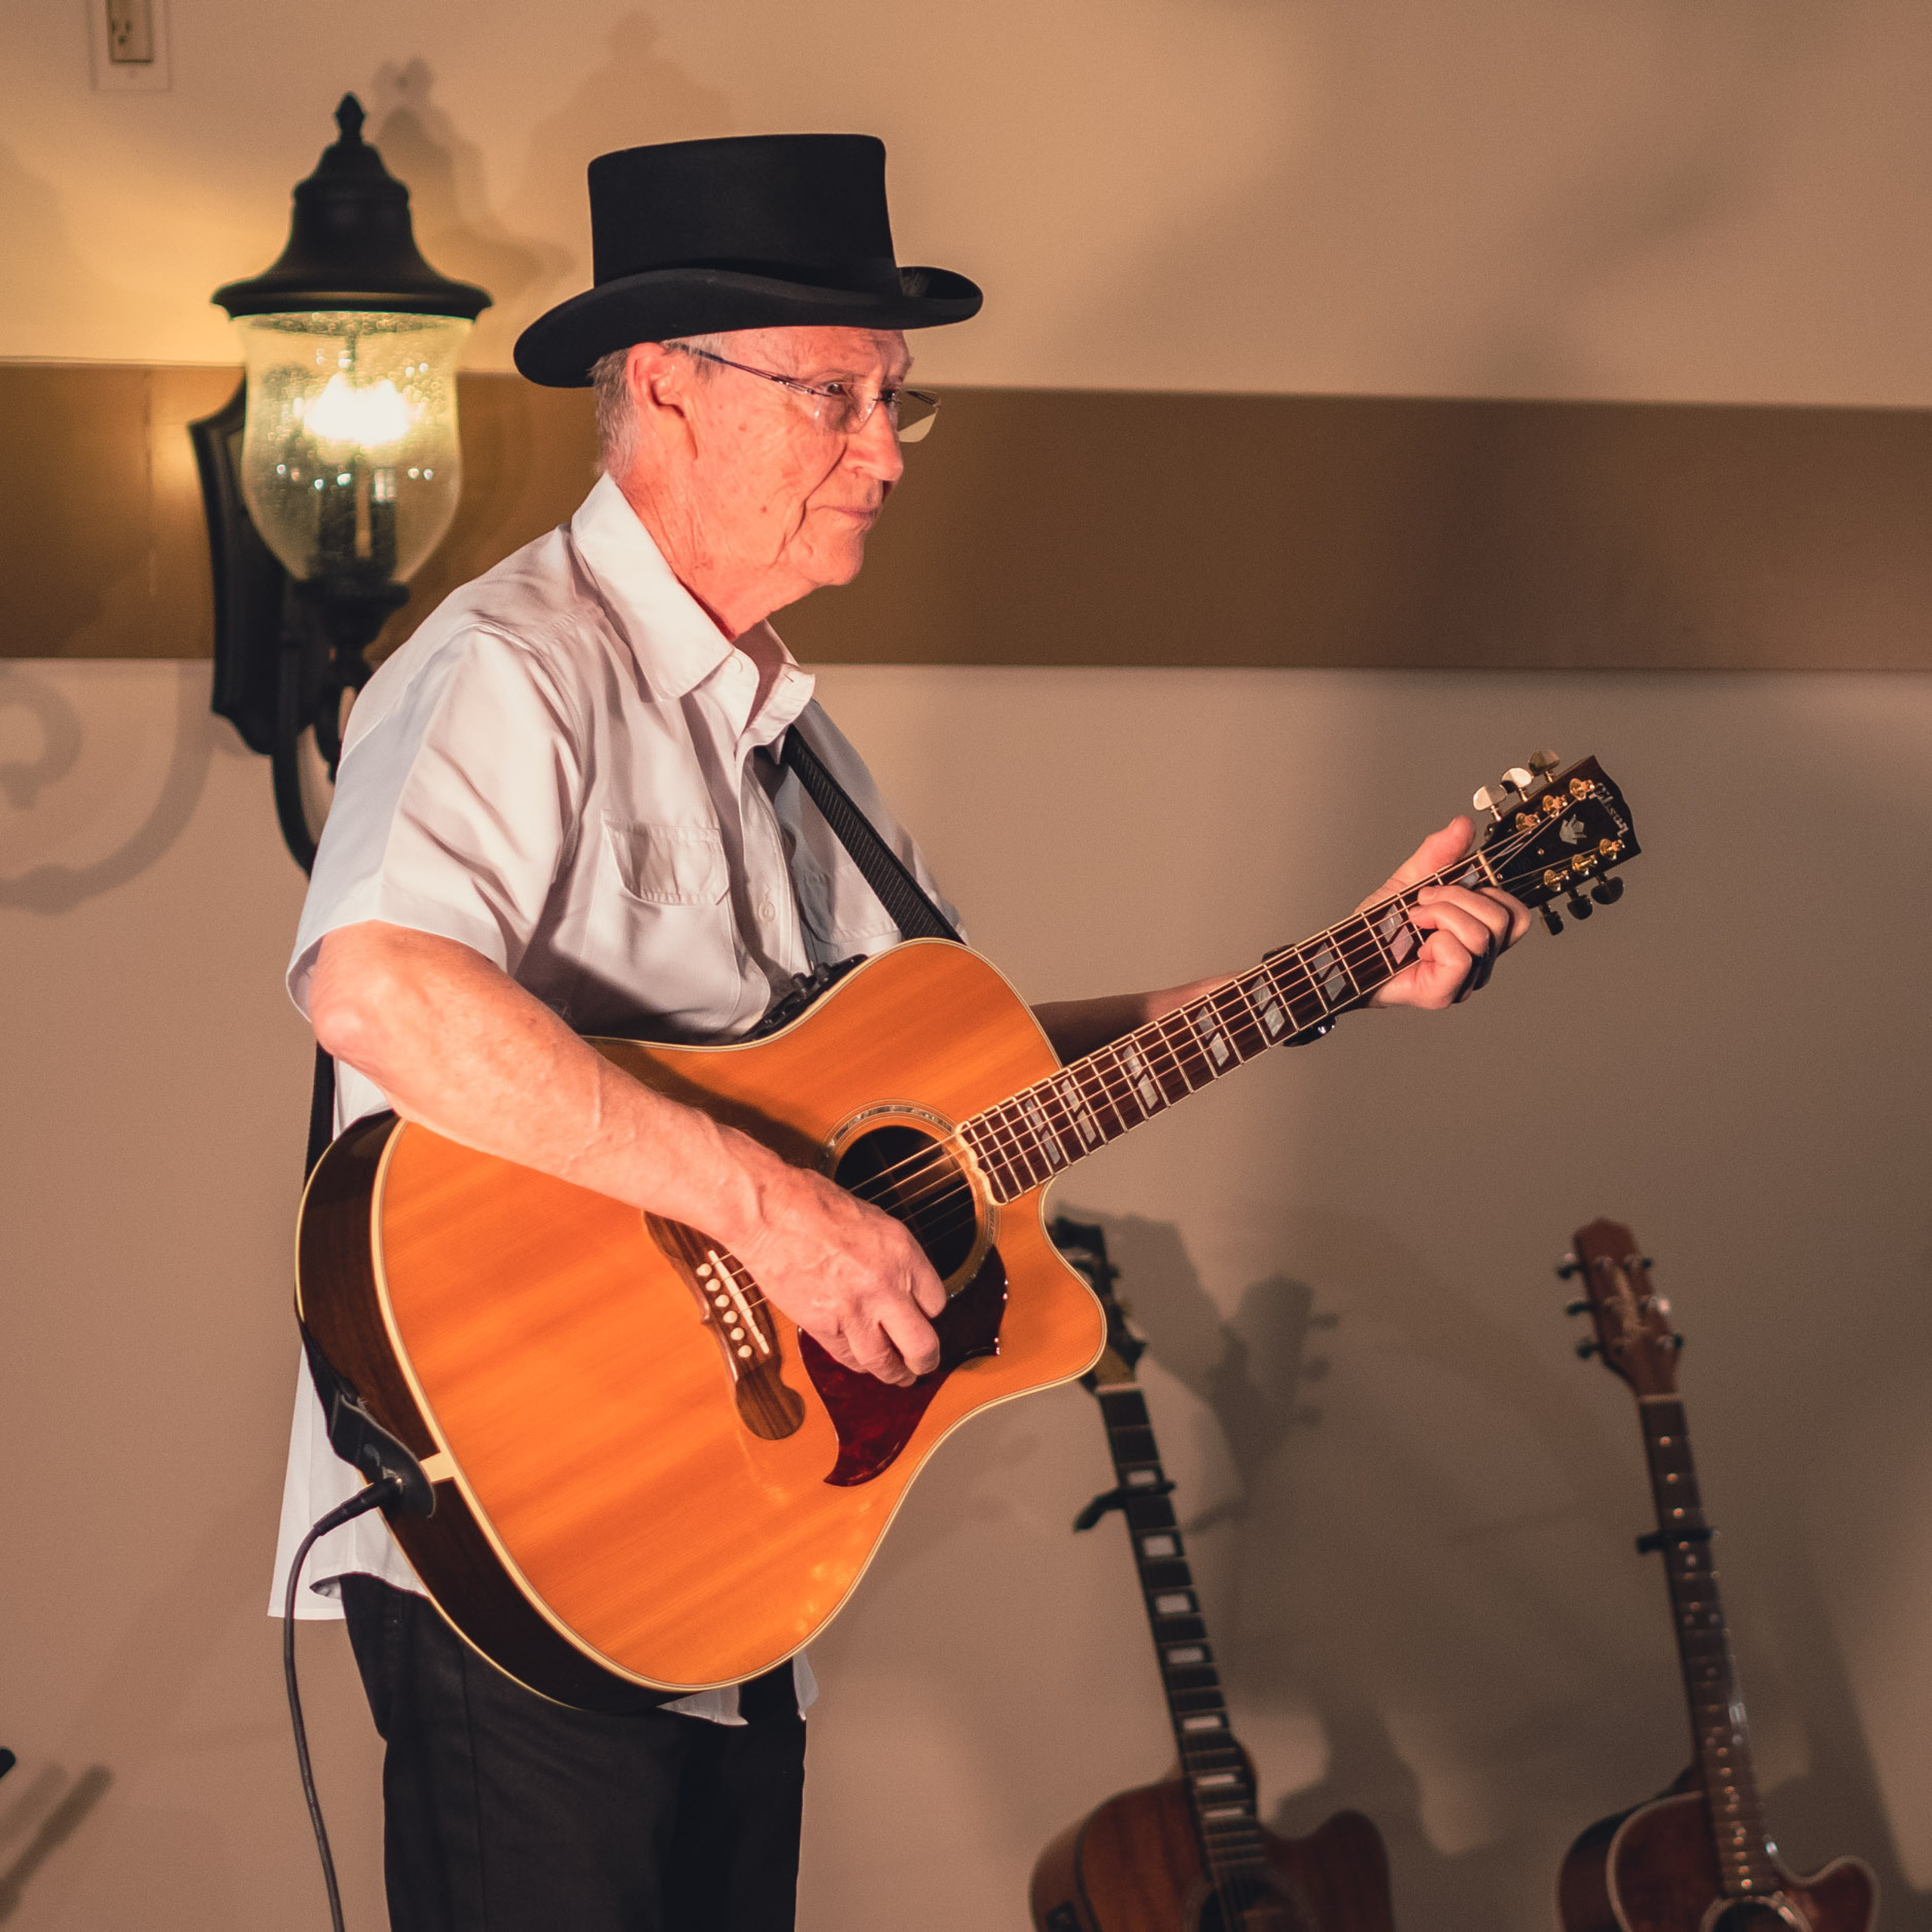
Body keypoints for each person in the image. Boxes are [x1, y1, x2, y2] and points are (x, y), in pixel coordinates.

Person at [268, 134, 1527, 1932]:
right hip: (520, 1511)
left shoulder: (795, 747)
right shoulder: (511, 670)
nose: (881, 453)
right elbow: (378, 982)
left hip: (729, 1538)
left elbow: (961, 1075)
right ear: (666, 390)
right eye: (837, 398)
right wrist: (776, 1213)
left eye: (895, 405)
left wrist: (1323, 967)